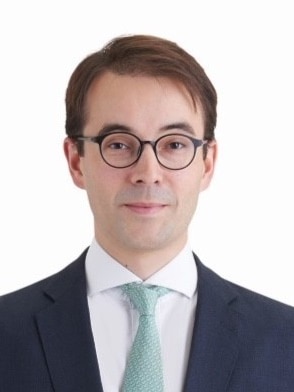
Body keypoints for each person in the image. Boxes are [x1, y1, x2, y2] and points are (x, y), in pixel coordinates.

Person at [0, 34, 294, 392]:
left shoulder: (284, 340)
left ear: (207, 162)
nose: (148, 171)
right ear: (76, 161)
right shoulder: (7, 331)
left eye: (174, 144)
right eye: (120, 144)